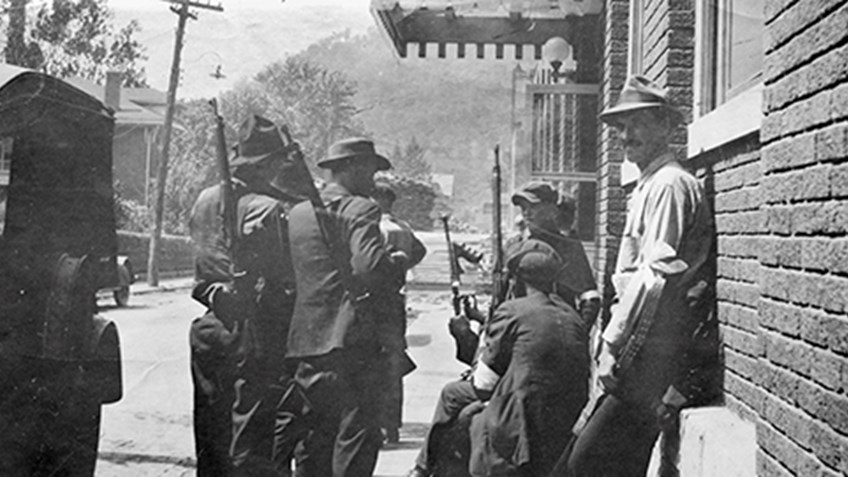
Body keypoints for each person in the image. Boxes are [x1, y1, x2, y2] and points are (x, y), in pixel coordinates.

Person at [559, 75, 716, 477]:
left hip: (652, 350)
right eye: (622, 127)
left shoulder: (669, 185)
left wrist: (612, 345)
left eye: (639, 123)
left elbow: (653, 278)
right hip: (640, 345)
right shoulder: (648, 184)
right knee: (602, 462)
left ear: (666, 126)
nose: (627, 135)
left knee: (588, 463)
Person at [406, 240, 589, 477]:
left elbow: (484, 384)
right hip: (565, 416)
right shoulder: (572, 315)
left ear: (517, 281)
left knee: (451, 394)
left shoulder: (512, 310)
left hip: (521, 418)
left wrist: (469, 338)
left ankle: (422, 469)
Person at [189, 115, 308, 476]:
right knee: (252, 437)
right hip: (252, 331)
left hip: (210, 325)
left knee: (211, 432)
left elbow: (201, 263)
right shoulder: (268, 208)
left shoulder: (204, 199)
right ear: (268, 164)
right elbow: (283, 277)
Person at [283, 137, 407, 477]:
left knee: (313, 440)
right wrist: (395, 263)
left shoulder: (298, 213)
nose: (374, 180)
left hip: (306, 343)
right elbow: (369, 268)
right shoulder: (362, 208)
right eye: (370, 170)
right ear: (351, 168)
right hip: (353, 343)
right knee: (356, 438)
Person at [371, 182, 427, 444]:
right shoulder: (402, 226)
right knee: (394, 362)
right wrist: (402, 269)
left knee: (373, 362)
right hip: (396, 299)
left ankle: (377, 424)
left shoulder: (375, 227)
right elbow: (419, 251)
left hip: (375, 302)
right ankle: (392, 426)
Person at [507, 181, 600, 329]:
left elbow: (589, 295)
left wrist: (581, 329)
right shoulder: (516, 246)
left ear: (552, 210)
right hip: (520, 328)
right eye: (523, 208)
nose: (526, 213)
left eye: (533, 206)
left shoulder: (568, 247)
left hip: (559, 329)